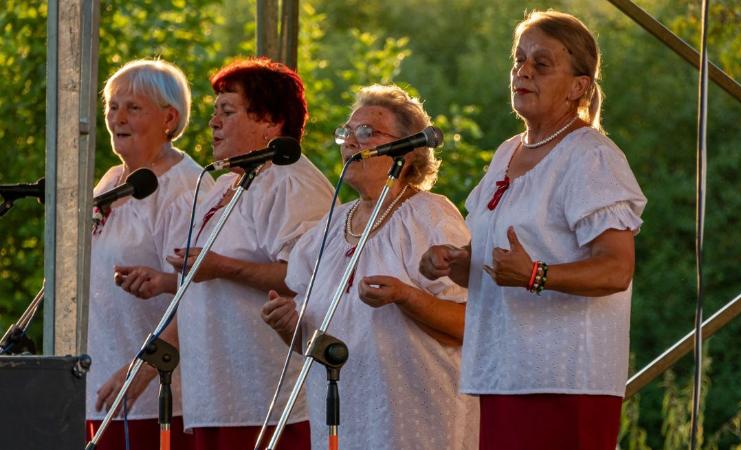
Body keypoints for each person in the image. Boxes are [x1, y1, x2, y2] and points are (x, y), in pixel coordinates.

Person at [420, 10, 647, 450]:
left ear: (580, 86)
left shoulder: (590, 157)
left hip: (565, 378)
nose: (522, 71)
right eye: (519, 61)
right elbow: (498, 267)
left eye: (541, 64)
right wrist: (456, 263)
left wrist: (536, 275)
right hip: (502, 372)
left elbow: (617, 269)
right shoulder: (507, 152)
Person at [115, 57, 333, 450]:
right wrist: (168, 282)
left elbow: (307, 276)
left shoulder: (290, 180)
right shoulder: (225, 185)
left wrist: (219, 266)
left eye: (227, 112)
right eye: (214, 112)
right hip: (214, 397)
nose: (212, 123)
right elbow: (205, 280)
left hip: (265, 399)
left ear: (269, 119)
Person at [261, 84, 479, 450]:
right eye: (346, 132)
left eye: (367, 132)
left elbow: (470, 325)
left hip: (418, 424)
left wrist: (406, 297)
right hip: (342, 423)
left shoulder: (430, 217)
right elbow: (317, 344)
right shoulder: (327, 230)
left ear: (407, 152)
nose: (350, 141)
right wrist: (289, 326)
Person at [86, 59, 211, 449]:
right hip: (98, 384)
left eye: (133, 108)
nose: (117, 118)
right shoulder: (111, 180)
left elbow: (199, 293)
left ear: (169, 118)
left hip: (158, 394)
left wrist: (140, 368)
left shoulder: (185, 188)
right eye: (112, 106)